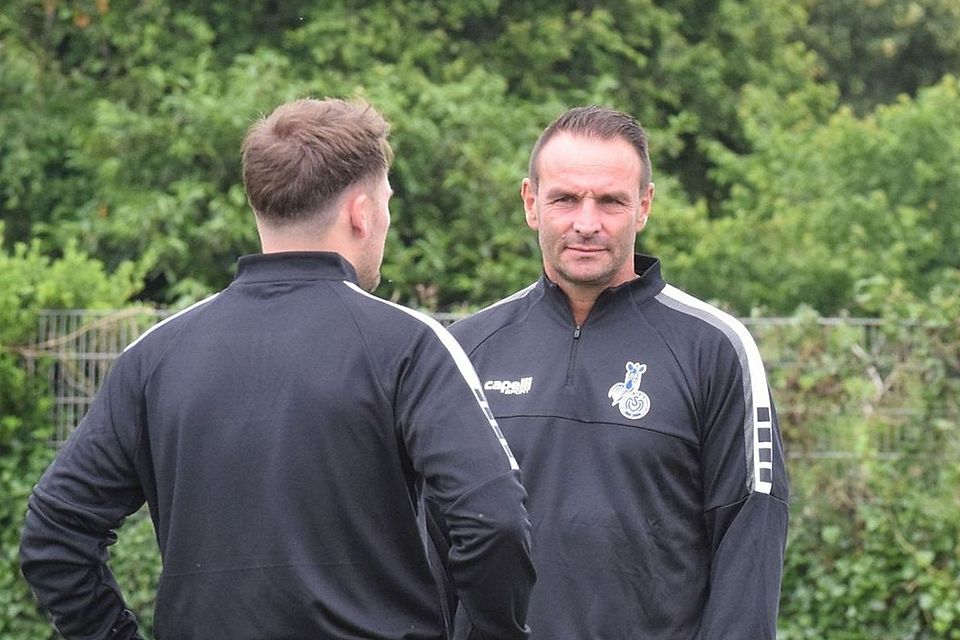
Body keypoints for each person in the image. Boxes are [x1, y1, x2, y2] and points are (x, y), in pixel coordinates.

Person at [20, 98, 535, 640]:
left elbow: (55, 533)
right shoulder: (411, 345)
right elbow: (494, 523)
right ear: (360, 212)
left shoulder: (155, 355)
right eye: (387, 202)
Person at [440, 106, 789, 638]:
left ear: (644, 206)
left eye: (610, 201)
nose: (586, 222)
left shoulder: (715, 350)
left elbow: (749, 543)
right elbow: (431, 545)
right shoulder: (466, 349)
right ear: (531, 203)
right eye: (564, 199)